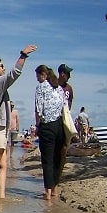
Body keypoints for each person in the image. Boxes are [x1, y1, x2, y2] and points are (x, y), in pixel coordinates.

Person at [0, 45, 37, 199]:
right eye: (1, 66)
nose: (3, 68)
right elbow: (15, 73)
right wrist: (23, 55)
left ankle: (1, 198)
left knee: (3, 165)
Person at [34, 64, 66, 201]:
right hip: (59, 126)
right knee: (57, 159)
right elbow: (64, 107)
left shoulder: (41, 87)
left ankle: (47, 193)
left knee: (47, 160)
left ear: (43, 74)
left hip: (47, 126)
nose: (37, 79)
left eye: (37, 76)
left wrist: (37, 125)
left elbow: (38, 109)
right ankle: (54, 189)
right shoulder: (59, 88)